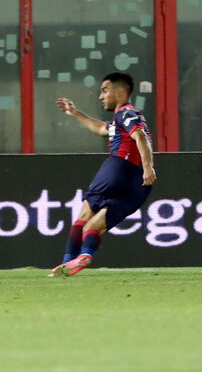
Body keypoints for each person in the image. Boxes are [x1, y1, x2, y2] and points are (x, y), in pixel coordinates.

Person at [50, 72, 156, 277]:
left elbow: (140, 136)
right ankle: (85, 255)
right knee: (94, 226)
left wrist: (148, 166)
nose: (101, 97)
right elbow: (101, 128)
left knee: (84, 216)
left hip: (119, 166)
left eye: (105, 91)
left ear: (121, 91)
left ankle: (65, 263)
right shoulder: (124, 119)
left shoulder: (126, 112)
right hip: (139, 185)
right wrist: (75, 112)